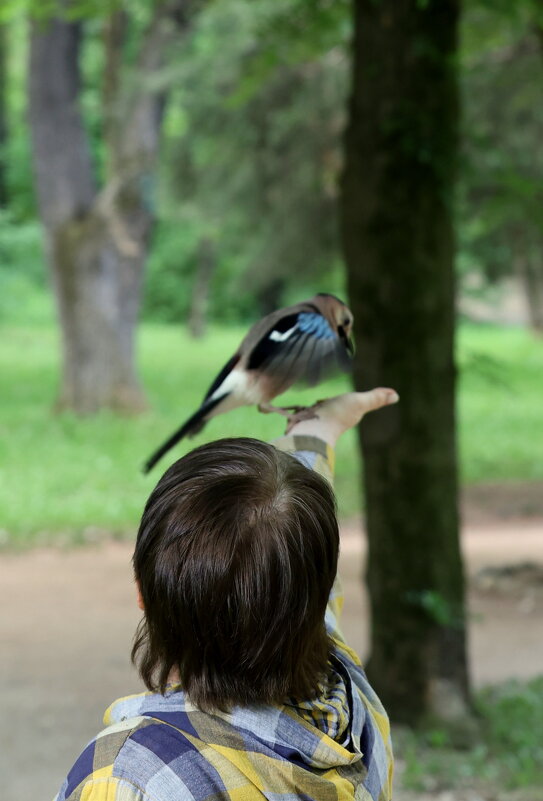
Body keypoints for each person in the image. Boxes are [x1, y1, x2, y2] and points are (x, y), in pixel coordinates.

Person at [54, 389, 397, 801]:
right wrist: (318, 430)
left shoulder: (130, 777)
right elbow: (298, 564)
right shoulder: (352, 702)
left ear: (142, 591)